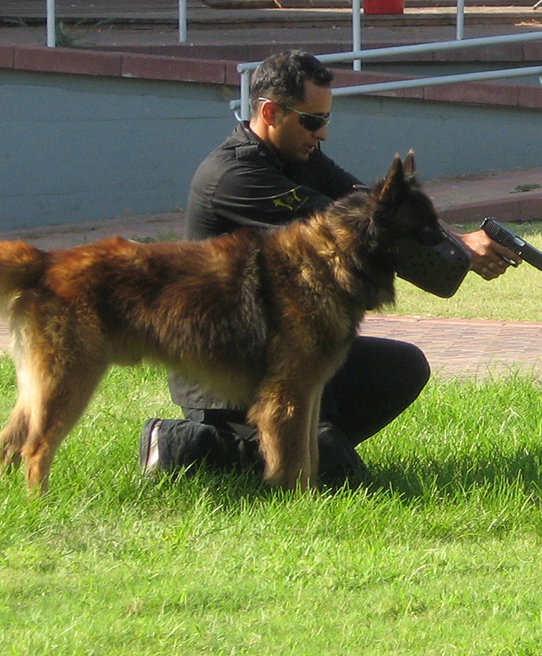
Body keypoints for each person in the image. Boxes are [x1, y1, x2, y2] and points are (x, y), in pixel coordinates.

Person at [138, 49, 521, 485]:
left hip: (289, 349)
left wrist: (459, 239)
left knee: (402, 369)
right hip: (227, 371)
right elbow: (356, 219)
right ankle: (176, 447)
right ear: (269, 112)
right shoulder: (233, 175)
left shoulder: (299, 155)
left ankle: (306, 444)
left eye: (326, 120)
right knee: (333, 466)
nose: (321, 134)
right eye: (312, 120)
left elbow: (374, 201)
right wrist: (459, 245)